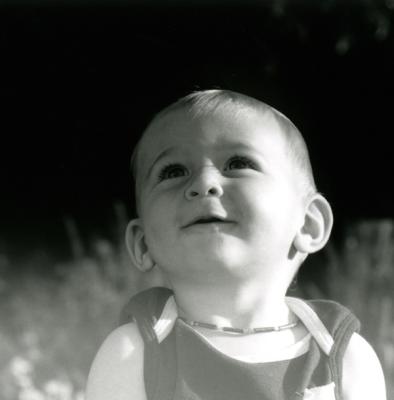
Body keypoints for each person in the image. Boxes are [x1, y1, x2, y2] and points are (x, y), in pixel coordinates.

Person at [85, 90, 386, 400]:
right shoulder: (135, 352)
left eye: (238, 162)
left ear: (309, 223)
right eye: (173, 171)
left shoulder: (343, 356)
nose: (204, 183)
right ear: (143, 242)